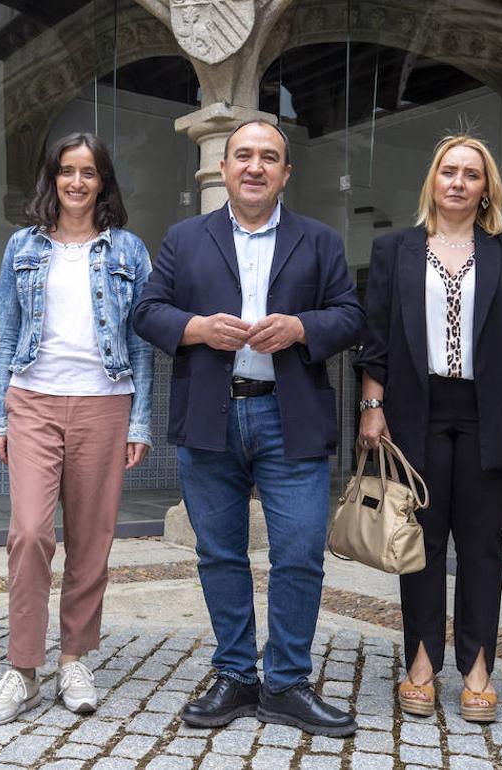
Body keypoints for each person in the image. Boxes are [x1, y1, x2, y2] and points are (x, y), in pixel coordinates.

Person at [134, 120, 363, 737]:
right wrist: (197, 329)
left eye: (269, 157)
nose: (255, 167)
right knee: (219, 552)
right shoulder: (185, 238)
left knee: (298, 552)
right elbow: (147, 312)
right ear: (225, 169)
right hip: (212, 412)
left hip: (291, 414)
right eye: (243, 156)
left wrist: (302, 330)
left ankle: (286, 682)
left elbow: (350, 315)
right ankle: (235, 675)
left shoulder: (319, 240)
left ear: (286, 173)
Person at [356, 134, 502, 723]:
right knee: (422, 544)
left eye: (472, 173)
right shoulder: (394, 250)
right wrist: (371, 405)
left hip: (489, 413)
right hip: (417, 413)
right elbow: (377, 336)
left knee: (483, 545)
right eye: (449, 171)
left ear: (487, 187)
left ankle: (478, 669)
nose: (459, 182)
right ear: (432, 182)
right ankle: (420, 663)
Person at [0, 133, 153, 726]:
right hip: (33, 399)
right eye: (66, 171)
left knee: (91, 538)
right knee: (29, 533)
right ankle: (21, 669)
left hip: (105, 401)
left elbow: (140, 343)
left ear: (103, 182)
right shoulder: (23, 245)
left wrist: (140, 419)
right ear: (51, 179)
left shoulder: (128, 250)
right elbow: (3, 334)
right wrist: (1, 414)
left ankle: (74, 657)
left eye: (89, 172)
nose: (77, 182)